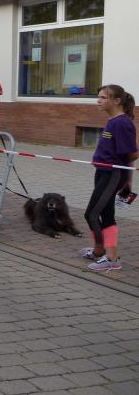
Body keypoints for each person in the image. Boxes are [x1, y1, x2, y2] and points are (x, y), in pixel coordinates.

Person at [81, 85, 138, 272]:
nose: (98, 101)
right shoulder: (113, 120)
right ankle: (104, 253)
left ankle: (109, 256)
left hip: (112, 175)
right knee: (106, 214)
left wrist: (127, 180)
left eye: (103, 97)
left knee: (91, 214)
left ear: (117, 101)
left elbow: (131, 154)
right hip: (103, 172)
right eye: (98, 97)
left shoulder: (121, 123)